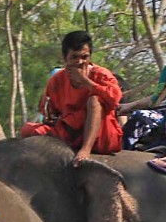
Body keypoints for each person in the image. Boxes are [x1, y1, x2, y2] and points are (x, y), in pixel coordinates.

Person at [22, 30, 123, 161]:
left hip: (101, 134)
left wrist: (87, 83)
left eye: (84, 57)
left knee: (94, 100)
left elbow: (115, 100)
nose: (80, 62)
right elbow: (47, 109)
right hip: (69, 133)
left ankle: (85, 149)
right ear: (65, 59)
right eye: (74, 57)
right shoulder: (57, 79)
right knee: (28, 130)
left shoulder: (101, 74)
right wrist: (50, 118)